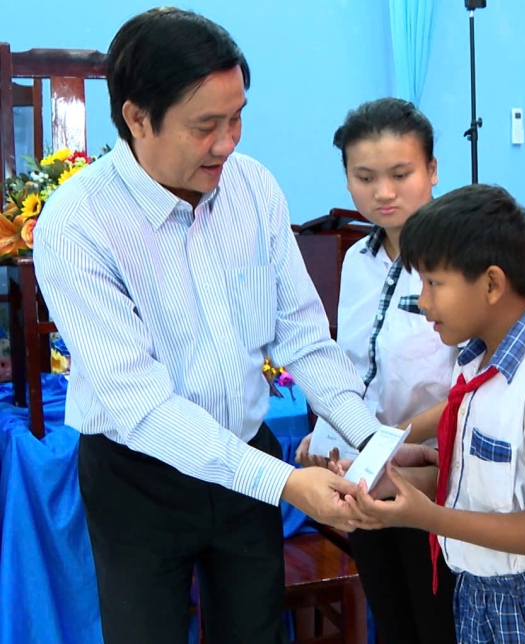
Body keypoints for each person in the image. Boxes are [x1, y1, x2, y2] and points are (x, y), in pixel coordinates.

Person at [31, 8, 428, 644]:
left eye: (237, 117)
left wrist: (370, 437)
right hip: (140, 478)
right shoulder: (77, 224)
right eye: (205, 126)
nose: (227, 143)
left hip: (247, 458)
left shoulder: (253, 189)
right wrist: (287, 483)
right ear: (137, 118)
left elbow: (302, 336)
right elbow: (142, 407)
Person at [344, 184, 525, 644]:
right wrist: (395, 474)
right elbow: (482, 481)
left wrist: (428, 517)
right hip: (478, 593)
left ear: (492, 284)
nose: (423, 302)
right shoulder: (478, 363)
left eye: (434, 283)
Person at [296, 97, 458, 644]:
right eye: (365, 177)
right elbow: (348, 368)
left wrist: (388, 445)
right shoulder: (356, 261)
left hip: (433, 478)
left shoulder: (456, 259)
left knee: (437, 622)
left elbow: (472, 388)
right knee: (391, 619)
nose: (383, 192)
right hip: (363, 477)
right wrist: (327, 435)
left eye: (400, 174)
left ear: (432, 170)